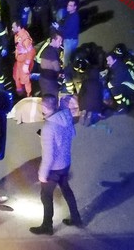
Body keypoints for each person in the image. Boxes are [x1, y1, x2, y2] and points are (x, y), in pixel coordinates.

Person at [30, 94, 82, 235]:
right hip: (65, 163)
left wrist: (42, 174)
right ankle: (76, 218)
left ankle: (47, 226)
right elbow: (71, 134)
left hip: (53, 168)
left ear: (45, 107)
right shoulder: (66, 116)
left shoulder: (48, 127)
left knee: (46, 196)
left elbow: (48, 155)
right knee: (66, 190)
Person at [12, 21, 36, 97]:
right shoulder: (17, 35)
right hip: (19, 60)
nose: (12, 29)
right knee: (16, 76)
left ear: (18, 27)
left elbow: (31, 51)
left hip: (24, 62)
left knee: (25, 80)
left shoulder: (25, 37)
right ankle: (20, 93)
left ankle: (29, 95)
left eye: (13, 27)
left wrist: (26, 64)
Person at [38, 31, 63, 99]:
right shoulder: (52, 52)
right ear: (53, 40)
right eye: (59, 41)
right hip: (50, 81)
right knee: (52, 100)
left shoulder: (47, 49)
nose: (60, 43)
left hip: (43, 79)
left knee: (46, 99)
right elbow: (57, 68)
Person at [55, 0, 80, 67]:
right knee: (71, 58)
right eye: (68, 5)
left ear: (75, 7)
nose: (68, 6)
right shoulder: (71, 14)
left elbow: (67, 31)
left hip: (69, 41)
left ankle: (65, 73)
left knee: (66, 60)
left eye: (71, 5)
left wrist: (58, 27)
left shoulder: (73, 18)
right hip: (72, 39)